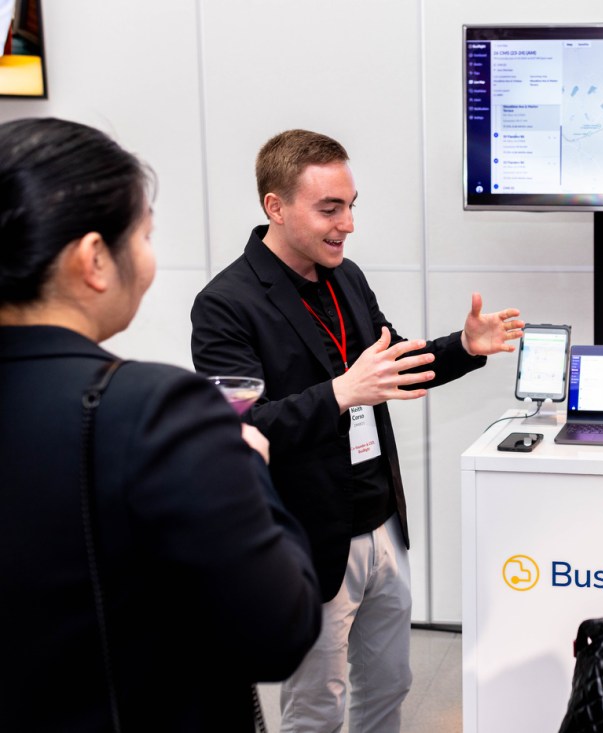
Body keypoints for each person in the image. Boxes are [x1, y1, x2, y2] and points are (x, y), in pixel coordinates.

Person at [190, 129, 523, 733]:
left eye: (351, 205)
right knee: (317, 706)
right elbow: (236, 429)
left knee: (390, 684)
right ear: (275, 206)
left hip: (380, 523)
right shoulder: (226, 305)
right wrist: (341, 392)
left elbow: (390, 365)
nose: (347, 224)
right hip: (309, 535)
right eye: (329, 209)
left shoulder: (346, 277)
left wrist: (465, 347)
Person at [0, 118, 322, 730]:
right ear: (94, 259)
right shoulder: (159, 410)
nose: (149, 260)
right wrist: (248, 466)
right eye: (144, 236)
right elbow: (279, 632)